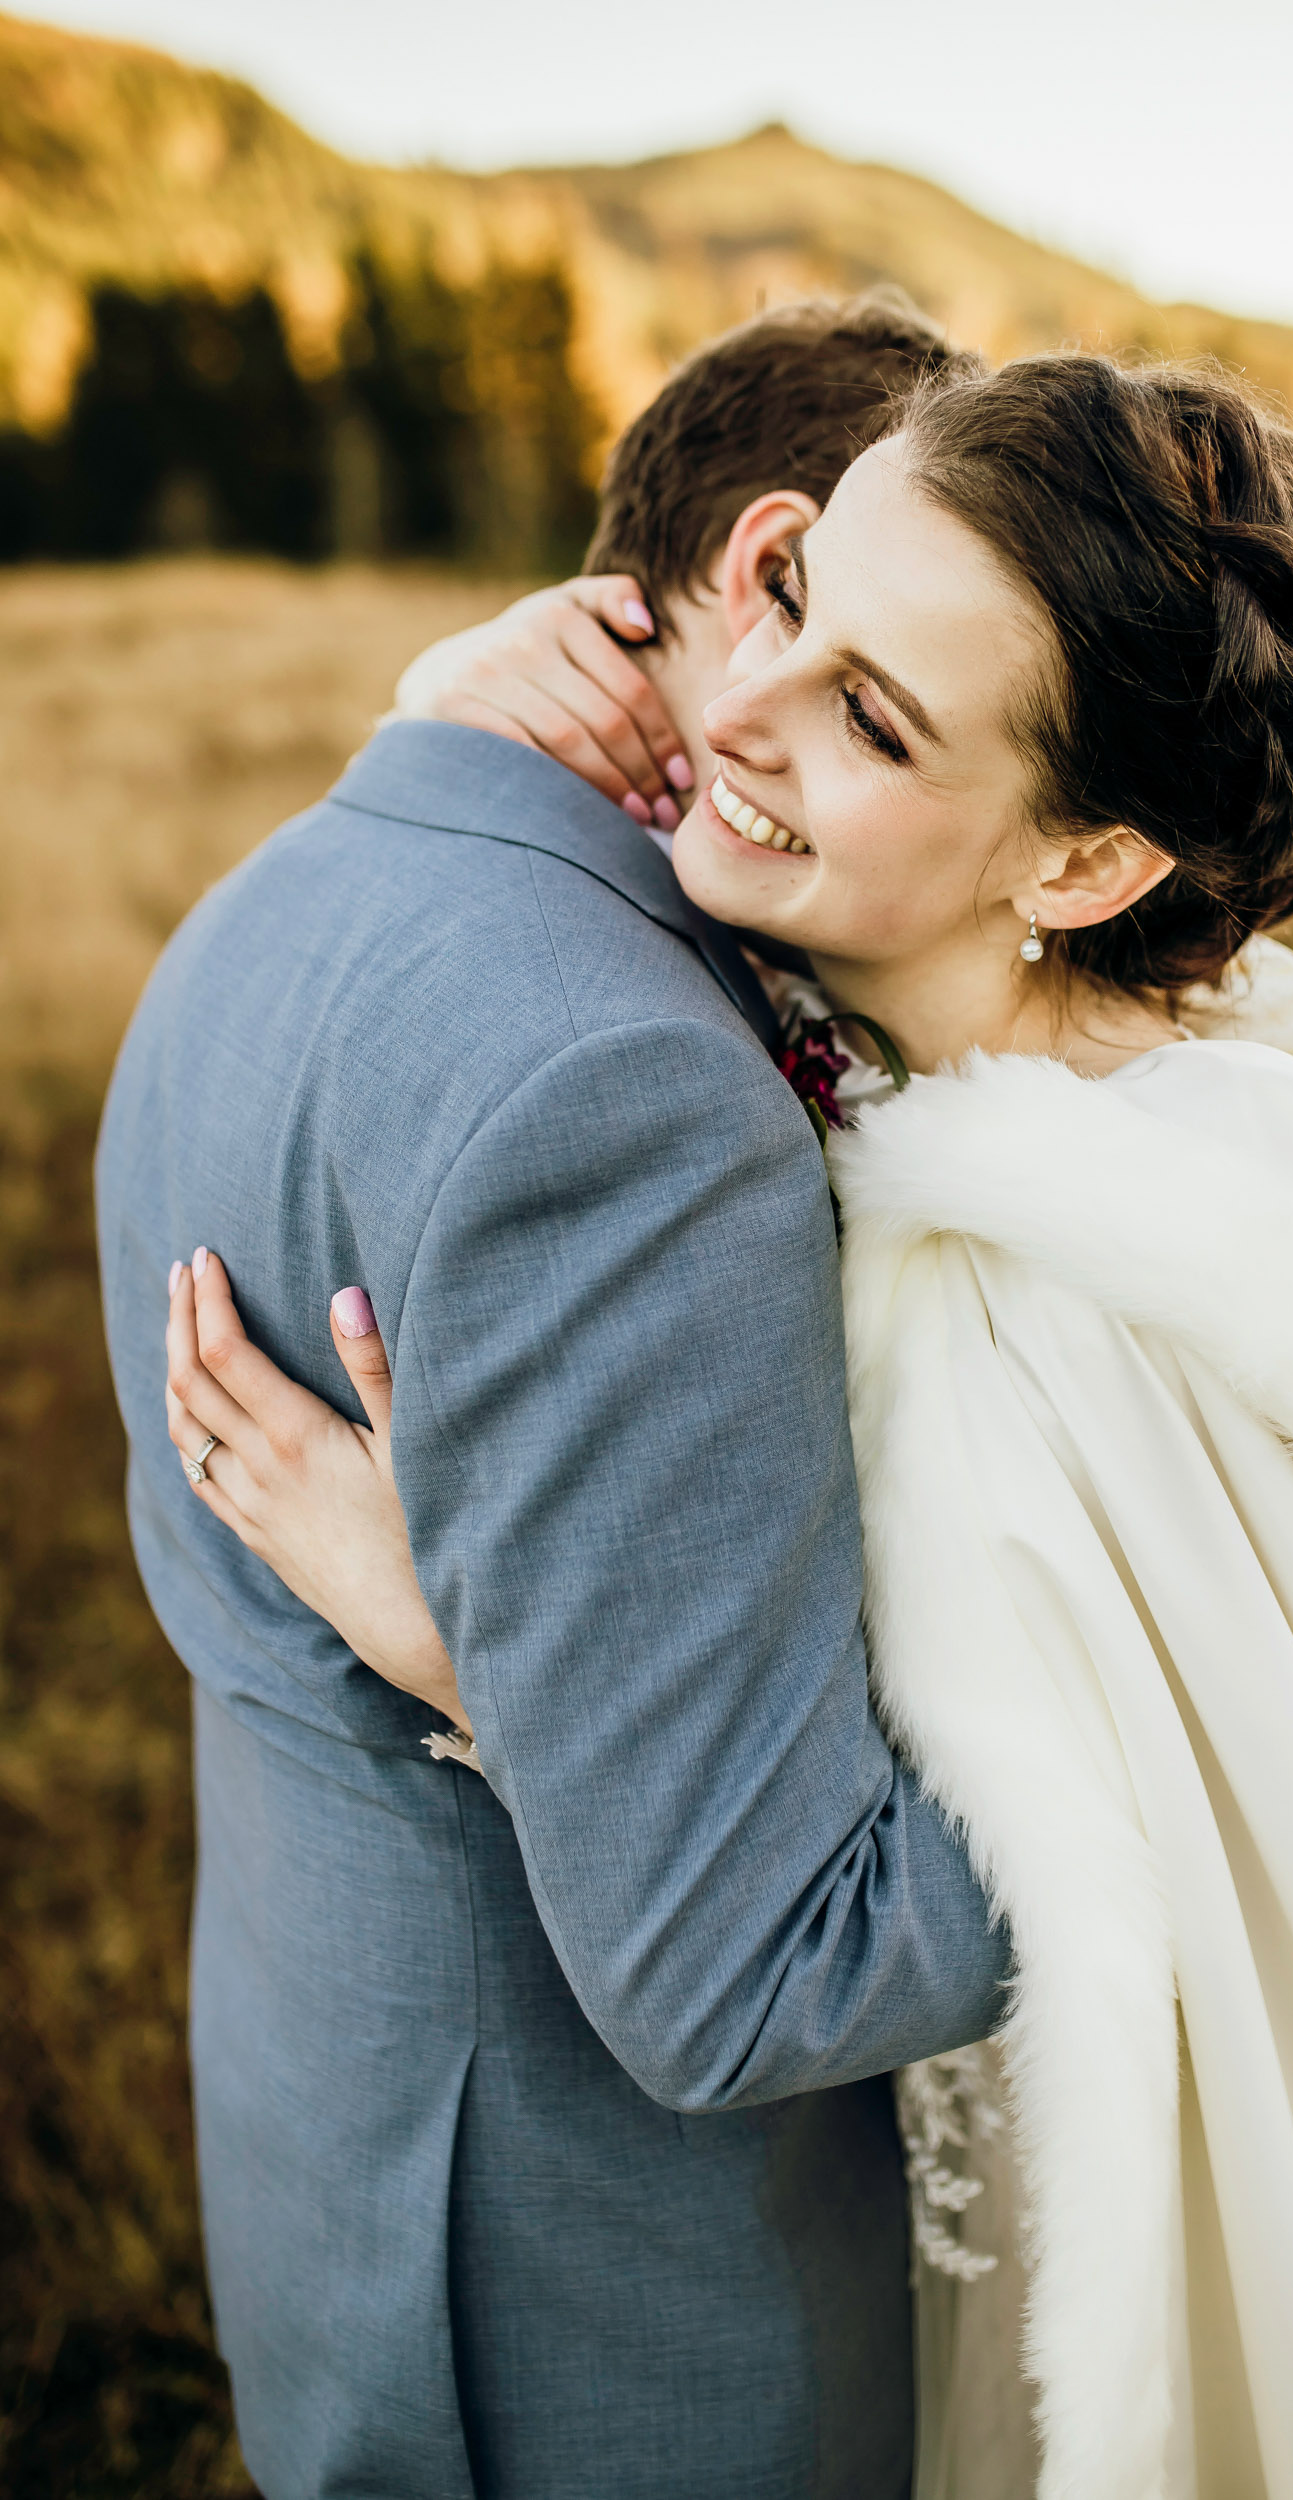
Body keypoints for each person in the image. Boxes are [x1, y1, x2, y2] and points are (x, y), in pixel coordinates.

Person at [161, 351, 1293, 2499]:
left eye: (873, 718)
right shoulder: (987, 1025)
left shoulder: (1050, 1304)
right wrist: (460, 694)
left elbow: (1114, 1830)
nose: (744, 709)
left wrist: (472, 1636)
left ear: (1085, 857)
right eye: (790, 603)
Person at [96, 295, 1009, 2500]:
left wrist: (480, 1636)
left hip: (335, 2112)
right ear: (775, 564)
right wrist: (1238, 1797)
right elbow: (753, 1967)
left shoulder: (278, 893)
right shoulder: (633, 1085)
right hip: (597, 2287)